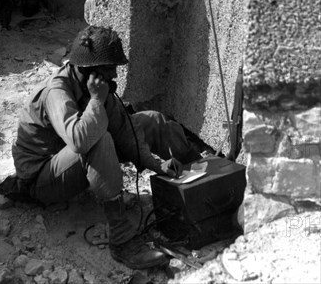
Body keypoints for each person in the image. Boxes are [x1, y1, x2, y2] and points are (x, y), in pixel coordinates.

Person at [10, 25, 200, 270]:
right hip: (42, 178)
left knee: (151, 120)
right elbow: (80, 141)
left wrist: (155, 163)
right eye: (109, 69)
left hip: (69, 161)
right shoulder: (56, 92)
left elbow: (125, 130)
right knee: (99, 139)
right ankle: (121, 240)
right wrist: (97, 100)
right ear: (86, 70)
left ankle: (203, 178)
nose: (115, 75)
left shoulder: (95, 85)